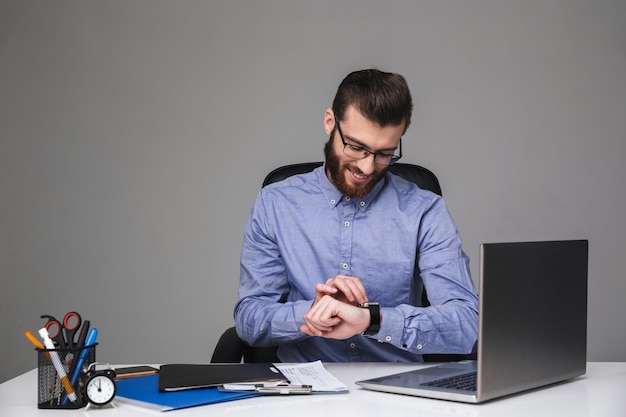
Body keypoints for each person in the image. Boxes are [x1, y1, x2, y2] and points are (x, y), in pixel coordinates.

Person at [234, 69, 478, 362]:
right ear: (329, 123)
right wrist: (312, 312)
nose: (366, 167)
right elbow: (249, 318)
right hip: (306, 395)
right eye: (355, 147)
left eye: (384, 153)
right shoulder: (276, 204)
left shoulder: (425, 210)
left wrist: (372, 320)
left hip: (395, 395)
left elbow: (467, 324)